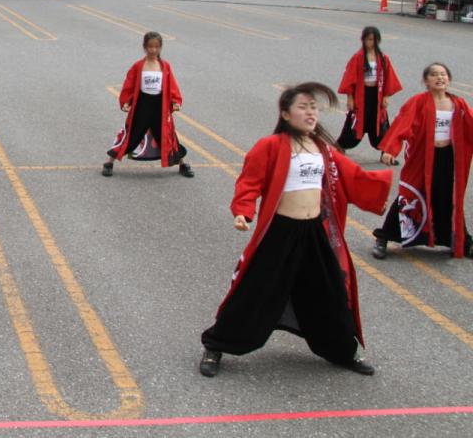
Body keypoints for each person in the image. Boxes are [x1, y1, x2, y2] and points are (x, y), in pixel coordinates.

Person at [198, 83, 392, 378]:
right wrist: (243, 211)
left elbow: (354, 177)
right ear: (286, 114)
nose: (310, 112)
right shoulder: (272, 146)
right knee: (255, 291)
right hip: (280, 232)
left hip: (314, 232)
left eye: (313, 107)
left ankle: (342, 350)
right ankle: (216, 344)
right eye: (303, 107)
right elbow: (250, 181)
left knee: (331, 293)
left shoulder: (323, 150)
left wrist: (380, 188)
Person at [372, 63, 473, 260]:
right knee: (410, 194)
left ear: (449, 79)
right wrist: (390, 150)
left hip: (448, 159)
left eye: (443, 74)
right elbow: (403, 125)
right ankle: (383, 237)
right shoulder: (418, 102)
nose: (440, 78)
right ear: (426, 81)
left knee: (449, 198)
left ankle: (462, 241)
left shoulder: (458, 104)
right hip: (422, 157)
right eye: (434, 75)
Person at [103, 31, 192, 177]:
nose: (153, 50)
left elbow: (172, 86)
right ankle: (109, 162)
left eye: (156, 47)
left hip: (159, 106)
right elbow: (129, 85)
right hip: (142, 105)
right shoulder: (139, 65)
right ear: (145, 47)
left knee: (167, 135)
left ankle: (182, 164)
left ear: (160, 48)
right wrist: (126, 101)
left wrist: (175, 101)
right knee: (131, 134)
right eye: (150, 47)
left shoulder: (165, 66)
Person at [337, 26, 402, 150]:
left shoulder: (383, 58)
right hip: (361, 95)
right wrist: (350, 98)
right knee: (354, 122)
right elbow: (349, 79)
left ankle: (386, 151)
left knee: (380, 122)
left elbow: (389, 78)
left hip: (377, 95)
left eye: (374, 40)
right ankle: (341, 146)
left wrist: (386, 97)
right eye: (369, 39)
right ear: (363, 40)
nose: (371, 43)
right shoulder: (357, 57)